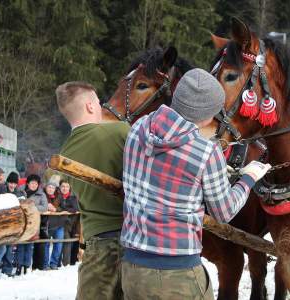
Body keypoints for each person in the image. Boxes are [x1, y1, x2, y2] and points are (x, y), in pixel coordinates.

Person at [120, 69, 271, 299]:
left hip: (131, 267)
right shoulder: (205, 152)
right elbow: (224, 212)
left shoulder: (137, 130)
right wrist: (248, 177)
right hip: (177, 274)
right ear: (210, 115)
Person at [56, 81, 130, 299]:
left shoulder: (65, 153)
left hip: (96, 244)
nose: (101, 106)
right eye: (98, 102)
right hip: (133, 241)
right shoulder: (120, 131)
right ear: (89, 106)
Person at [0, 172, 26, 277]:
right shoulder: (2, 189)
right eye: (11, 183)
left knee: (9, 249)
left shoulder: (19, 192)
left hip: (12, 225)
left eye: (15, 183)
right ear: (8, 182)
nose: (13, 185)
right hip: (1, 223)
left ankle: (7, 270)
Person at [16, 174, 48, 275]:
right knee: (21, 245)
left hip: (34, 223)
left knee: (29, 245)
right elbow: (17, 203)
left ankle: (26, 266)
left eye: (36, 183)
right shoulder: (21, 191)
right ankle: (18, 265)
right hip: (21, 222)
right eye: (32, 183)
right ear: (28, 183)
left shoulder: (41, 195)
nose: (34, 185)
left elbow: (44, 207)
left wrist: (30, 207)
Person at [43, 177, 65, 270]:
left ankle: (54, 263)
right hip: (47, 225)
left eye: (52, 187)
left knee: (58, 244)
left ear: (55, 189)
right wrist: (46, 206)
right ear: (46, 188)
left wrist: (56, 209)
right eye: (49, 187)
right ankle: (45, 264)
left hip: (58, 224)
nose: (51, 189)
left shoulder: (59, 197)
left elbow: (64, 207)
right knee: (46, 245)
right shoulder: (43, 196)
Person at [58, 179, 80, 266]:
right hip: (62, 223)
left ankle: (70, 262)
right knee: (64, 242)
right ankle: (64, 263)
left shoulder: (73, 197)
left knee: (72, 243)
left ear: (69, 188)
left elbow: (75, 209)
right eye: (63, 186)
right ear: (60, 187)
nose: (65, 188)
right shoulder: (58, 197)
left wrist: (62, 209)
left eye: (67, 186)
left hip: (73, 223)